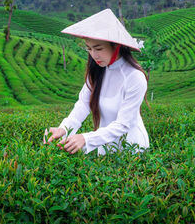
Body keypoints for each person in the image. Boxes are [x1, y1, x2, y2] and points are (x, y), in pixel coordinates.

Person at [43, 8, 149, 156]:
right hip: (105, 146)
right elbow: (83, 105)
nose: (94, 55)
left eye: (98, 48)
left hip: (132, 148)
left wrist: (86, 138)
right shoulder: (97, 71)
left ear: (116, 46)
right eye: (89, 49)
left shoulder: (134, 77)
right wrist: (63, 129)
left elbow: (124, 124)